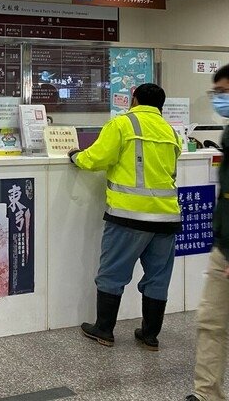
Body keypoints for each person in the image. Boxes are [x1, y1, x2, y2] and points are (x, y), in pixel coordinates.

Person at [68, 83, 181, 349]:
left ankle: (104, 329)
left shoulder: (123, 124)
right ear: (160, 105)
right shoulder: (171, 131)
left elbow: (96, 158)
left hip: (129, 216)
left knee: (113, 273)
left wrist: (76, 157)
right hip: (167, 218)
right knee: (157, 278)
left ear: (134, 99)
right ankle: (150, 335)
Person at [186, 65, 229, 401]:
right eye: (217, 93)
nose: (220, 99)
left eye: (225, 92)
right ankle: (206, 395)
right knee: (211, 322)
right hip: (223, 247)